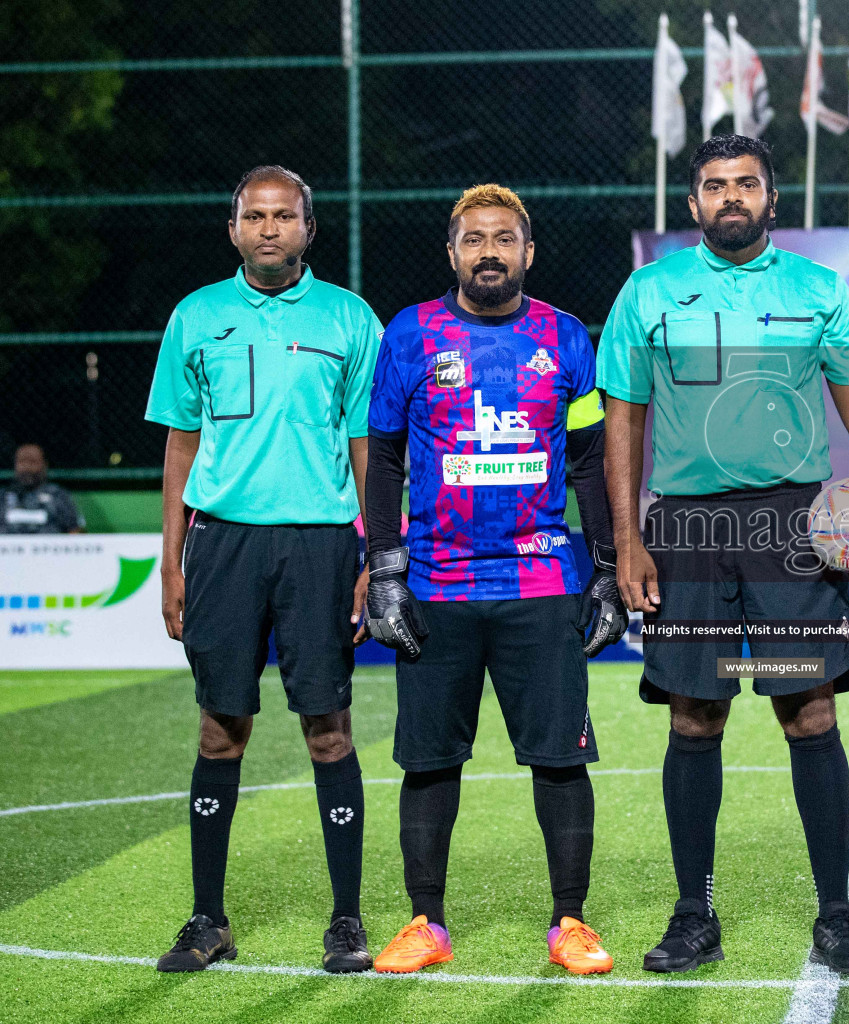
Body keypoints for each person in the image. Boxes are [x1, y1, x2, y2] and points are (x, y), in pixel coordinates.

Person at [598, 134, 849, 974]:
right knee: (693, 715)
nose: (731, 197)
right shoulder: (649, 291)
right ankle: (691, 915)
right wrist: (629, 537)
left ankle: (837, 915)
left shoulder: (816, 291)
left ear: (772, 200)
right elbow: (623, 421)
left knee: (809, 713)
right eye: (715, 186)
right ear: (695, 202)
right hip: (686, 531)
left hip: (791, 529)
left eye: (746, 184)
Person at [363, 184, 625, 977]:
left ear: (527, 251)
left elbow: (587, 461)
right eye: (473, 239)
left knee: (559, 757)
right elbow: (381, 459)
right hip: (437, 584)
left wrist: (606, 569)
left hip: (541, 580)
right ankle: (425, 923)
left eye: (503, 238)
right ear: (452, 252)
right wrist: (383, 570)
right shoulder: (410, 333)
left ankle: (569, 923)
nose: (488, 251)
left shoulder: (564, 337)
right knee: (429, 761)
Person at [144, 165, 380, 973]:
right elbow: (180, 443)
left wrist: (374, 554)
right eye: (255, 215)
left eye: (285, 216)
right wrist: (170, 560)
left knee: (329, 730)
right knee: (220, 729)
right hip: (223, 545)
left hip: (319, 543)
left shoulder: (350, 318)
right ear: (235, 227)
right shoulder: (196, 316)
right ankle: (208, 919)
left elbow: (367, 450)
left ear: (309, 229)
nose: (270, 228)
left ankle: (346, 920)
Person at [3, 444, 85, 534]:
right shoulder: (3, 496)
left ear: (44, 465)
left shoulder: (58, 495)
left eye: (32, 462)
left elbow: (75, 530)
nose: (26, 468)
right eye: (22, 462)